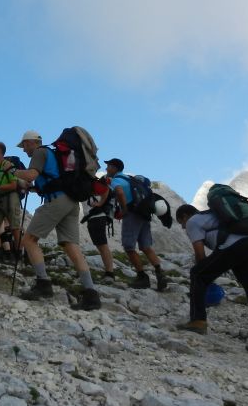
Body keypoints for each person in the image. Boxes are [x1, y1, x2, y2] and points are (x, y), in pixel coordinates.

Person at [14, 130, 100, 311]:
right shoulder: (55, 154)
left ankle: (43, 284)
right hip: (71, 201)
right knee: (71, 245)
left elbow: (31, 176)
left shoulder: (39, 152)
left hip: (56, 200)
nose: (24, 150)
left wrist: (13, 170)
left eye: (24, 146)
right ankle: (91, 294)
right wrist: (33, 188)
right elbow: (50, 181)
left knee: (29, 240)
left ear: (31, 142)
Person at [175, 203, 248, 357]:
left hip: (234, 246)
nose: (182, 228)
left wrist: (205, 278)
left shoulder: (193, 222)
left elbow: (200, 255)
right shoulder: (212, 216)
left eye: (181, 223)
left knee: (197, 273)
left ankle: (198, 321)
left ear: (185, 216)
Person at [108, 159, 168, 291]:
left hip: (132, 214)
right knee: (146, 246)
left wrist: (124, 209)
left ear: (114, 168)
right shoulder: (131, 179)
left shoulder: (116, 180)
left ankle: (142, 277)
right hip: (144, 213)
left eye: (108, 167)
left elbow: (119, 192)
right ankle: (160, 274)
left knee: (129, 246)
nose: (107, 170)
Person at [83, 172, 116, 281]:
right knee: (101, 246)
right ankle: (109, 272)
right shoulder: (91, 182)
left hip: (97, 217)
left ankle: (109, 273)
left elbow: (105, 189)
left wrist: (100, 203)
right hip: (94, 218)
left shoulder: (93, 182)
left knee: (102, 246)